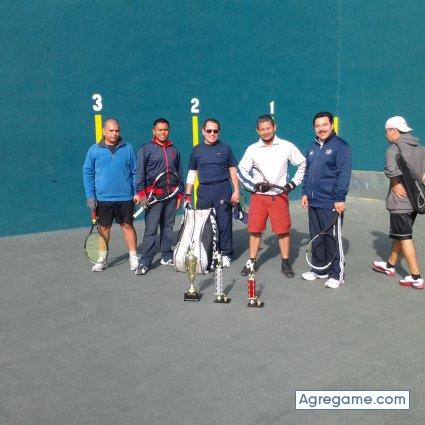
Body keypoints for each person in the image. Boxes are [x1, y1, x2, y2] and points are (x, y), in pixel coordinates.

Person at [238, 114, 306, 277]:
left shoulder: (286, 146)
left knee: (283, 231)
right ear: (257, 131)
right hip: (258, 198)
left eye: (268, 128)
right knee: (255, 230)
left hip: (279, 197)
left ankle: (285, 263)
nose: (266, 132)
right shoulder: (252, 149)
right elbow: (241, 171)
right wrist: (255, 185)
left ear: (274, 127)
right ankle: (252, 261)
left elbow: (303, 164)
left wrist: (292, 184)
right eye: (262, 129)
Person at [372, 116, 425, 289]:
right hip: (416, 202)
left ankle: (416, 277)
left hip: (400, 203)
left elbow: (391, 171)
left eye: (386, 131)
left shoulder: (393, 149)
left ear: (394, 131)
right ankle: (390, 265)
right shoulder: (421, 149)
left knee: (405, 237)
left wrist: (395, 184)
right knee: (401, 235)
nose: (386, 135)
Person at [301, 111, 352, 289]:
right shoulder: (312, 146)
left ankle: (337, 274)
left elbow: (344, 175)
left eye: (324, 125)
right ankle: (319, 269)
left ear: (331, 125)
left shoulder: (341, 146)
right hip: (313, 201)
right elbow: (307, 172)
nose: (321, 128)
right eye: (317, 125)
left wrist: (339, 198)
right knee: (316, 237)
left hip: (331, 202)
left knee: (332, 238)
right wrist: (305, 193)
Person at [83, 118, 139, 272]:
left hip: (125, 197)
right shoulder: (94, 150)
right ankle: (102, 259)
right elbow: (88, 173)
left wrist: (137, 192)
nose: (114, 133)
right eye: (111, 130)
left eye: (117, 130)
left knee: (127, 226)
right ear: (104, 131)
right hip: (103, 198)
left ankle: (134, 257)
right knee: (104, 228)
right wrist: (90, 196)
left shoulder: (128, 148)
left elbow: (135, 172)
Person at [184, 118, 240, 267]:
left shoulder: (226, 148)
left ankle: (226, 254)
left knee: (224, 223)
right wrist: (187, 195)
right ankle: (206, 253)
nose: (212, 133)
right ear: (203, 131)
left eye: (215, 131)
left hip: (223, 189)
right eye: (209, 130)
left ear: (218, 132)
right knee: (203, 224)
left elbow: (232, 169)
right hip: (204, 191)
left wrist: (236, 190)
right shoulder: (196, 150)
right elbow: (192, 172)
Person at [134, 118, 183, 275]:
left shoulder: (174, 150)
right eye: (160, 130)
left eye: (165, 129)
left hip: (171, 195)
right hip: (153, 196)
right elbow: (140, 174)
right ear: (154, 131)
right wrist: (142, 195)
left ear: (168, 131)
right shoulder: (145, 149)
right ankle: (145, 261)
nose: (163, 132)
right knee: (151, 229)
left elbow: (179, 173)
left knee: (168, 227)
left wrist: (179, 194)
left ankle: (166, 255)